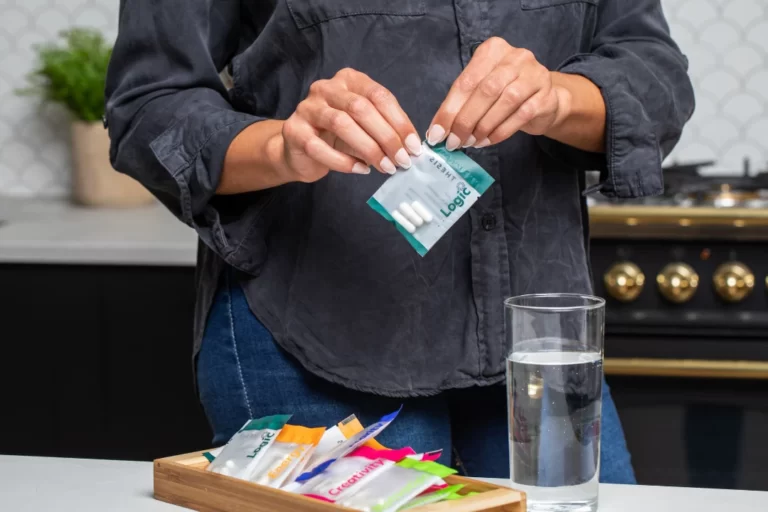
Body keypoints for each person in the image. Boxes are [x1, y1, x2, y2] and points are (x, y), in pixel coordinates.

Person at [105, 0, 694, 482]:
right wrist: (282, 145)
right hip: (316, 331)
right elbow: (148, 104)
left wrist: (560, 96)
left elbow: (654, 71)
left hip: (537, 342)